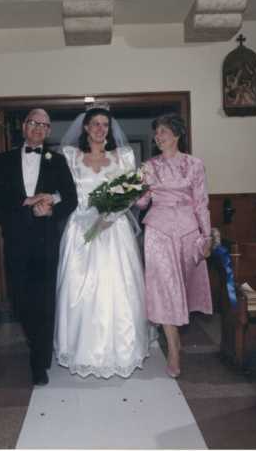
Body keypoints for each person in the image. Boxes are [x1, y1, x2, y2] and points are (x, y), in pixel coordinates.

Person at [54, 105, 150, 379]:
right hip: (80, 229)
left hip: (113, 228)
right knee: (78, 290)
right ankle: (82, 352)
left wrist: (110, 215)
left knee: (115, 287)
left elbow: (130, 194)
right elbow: (66, 194)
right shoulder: (72, 158)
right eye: (94, 124)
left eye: (104, 125)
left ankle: (119, 351)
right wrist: (50, 199)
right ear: (85, 128)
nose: (99, 129)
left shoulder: (122, 157)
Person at [0, 108, 78, 386]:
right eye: (34, 123)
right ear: (24, 127)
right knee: (21, 302)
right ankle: (34, 343)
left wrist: (52, 209)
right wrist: (24, 204)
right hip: (15, 243)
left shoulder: (58, 162)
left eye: (45, 125)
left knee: (44, 302)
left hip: (45, 244)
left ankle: (40, 362)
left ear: (49, 131)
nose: (39, 128)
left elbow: (71, 199)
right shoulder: (3, 161)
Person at [136, 113, 212, 378]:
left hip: (189, 230)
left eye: (163, 132)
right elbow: (142, 204)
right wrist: (137, 187)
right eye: (156, 133)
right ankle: (173, 349)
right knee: (165, 288)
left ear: (177, 135)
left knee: (184, 287)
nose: (158, 137)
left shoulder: (195, 165)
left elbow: (201, 202)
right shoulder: (149, 165)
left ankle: (175, 338)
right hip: (157, 230)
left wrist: (206, 236)